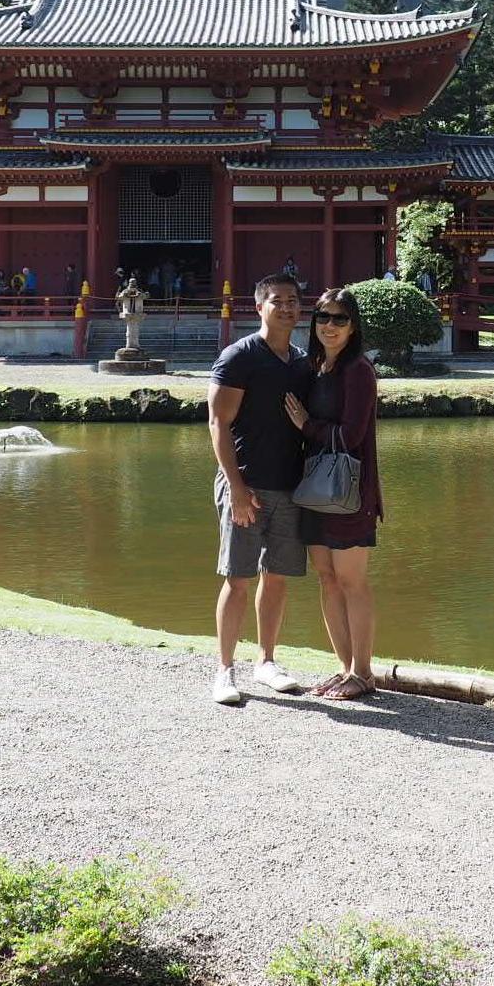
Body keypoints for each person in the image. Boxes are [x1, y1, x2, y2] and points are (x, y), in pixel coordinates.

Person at [206, 272, 313, 706]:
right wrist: (235, 486)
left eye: (292, 300)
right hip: (245, 483)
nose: (286, 307)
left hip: (290, 485)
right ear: (259, 306)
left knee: (279, 576)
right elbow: (218, 422)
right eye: (276, 300)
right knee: (239, 577)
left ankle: (266, 661)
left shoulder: (302, 361)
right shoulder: (240, 357)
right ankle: (224, 670)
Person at [284, 287, 382, 702]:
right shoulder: (317, 366)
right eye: (323, 317)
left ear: (353, 325)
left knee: (351, 581)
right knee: (326, 579)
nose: (330, 325)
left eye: (339, 318)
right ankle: (345, 668)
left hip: (348, 490)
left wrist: (307, 425)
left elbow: (353, 435)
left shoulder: (358, 370)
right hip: (314, 488)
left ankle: (364, 672)